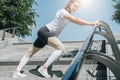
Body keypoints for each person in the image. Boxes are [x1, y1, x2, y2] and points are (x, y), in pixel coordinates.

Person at [13, 0, 100, 78]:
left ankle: (16, 72)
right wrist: (92, 23)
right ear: (69, 4)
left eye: (77, 7)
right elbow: (76, 20)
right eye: (74, 6)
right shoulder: (62, 12)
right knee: (61, 48)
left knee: (31, 52)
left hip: (46, 33)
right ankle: (43, 68)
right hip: (45, 31)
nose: (75, 8)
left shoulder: (67, 15)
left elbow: (75, 20)